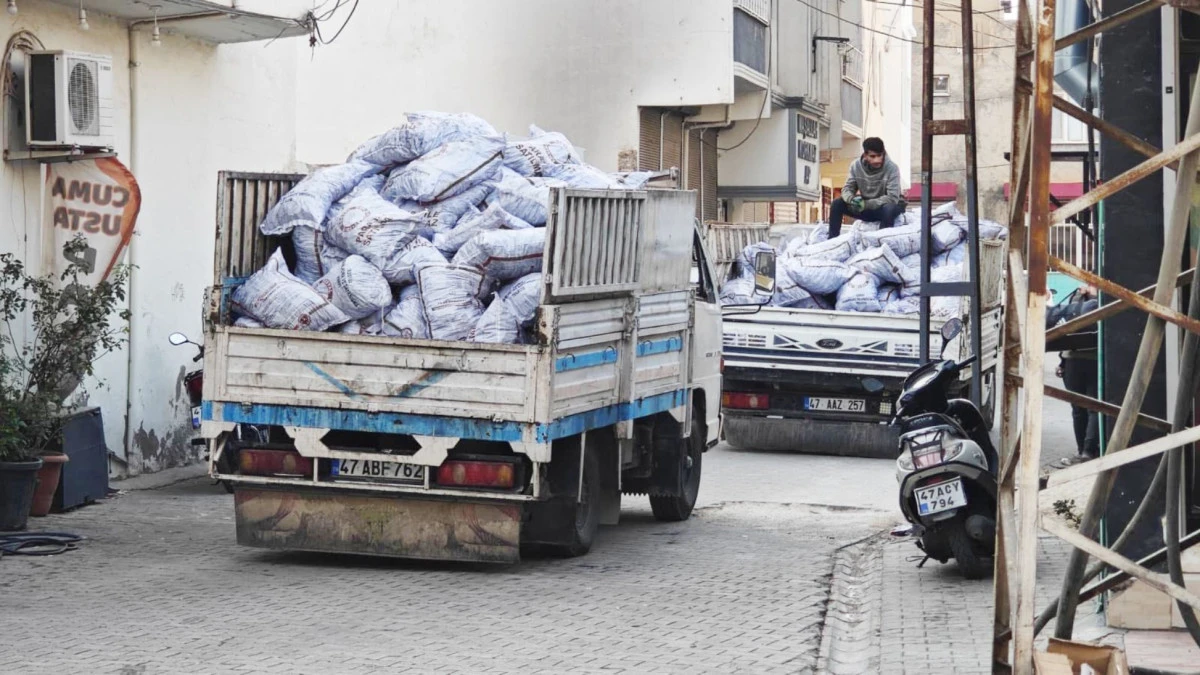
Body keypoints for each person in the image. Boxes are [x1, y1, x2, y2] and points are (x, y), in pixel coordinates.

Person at [1047, 284, 1100, 465]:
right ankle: (1087, 452)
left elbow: (1065, 331)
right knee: (1092, 408)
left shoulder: (1077, 300)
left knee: (1080, 410)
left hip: (1073, 362)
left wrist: (1063, 361)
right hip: (1092, 361)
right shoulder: (1101, 301)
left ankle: (1083, 451)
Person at [828, 137, 905, 238]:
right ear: (865, 155)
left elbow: (892, 198)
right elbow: (847, 189)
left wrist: (867, 204)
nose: (877, 160)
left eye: (879, 155)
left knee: (889, 209)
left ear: (883, 153)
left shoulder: (892, 168)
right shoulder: (855, 166)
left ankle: (882, 242)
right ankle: (832, 240)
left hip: (885, 207)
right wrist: (852, 199)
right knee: (837, 203)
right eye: (872, 156)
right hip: (865, 206)